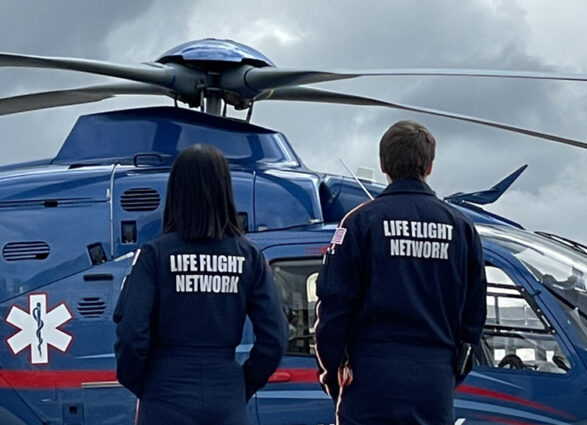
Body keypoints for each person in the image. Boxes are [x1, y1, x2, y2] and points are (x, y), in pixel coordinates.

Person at [315, 120, 487, 425]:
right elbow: (473, 319)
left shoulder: (359, 223)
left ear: (383, 164)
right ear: (430, 166)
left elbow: (333, 309)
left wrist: (332, 373)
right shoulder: (462, 228)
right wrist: (449, 371)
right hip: (434, 384)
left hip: (370, 380)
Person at [114, 144, 288, 425]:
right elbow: (275, 338)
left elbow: (132, 333)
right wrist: (241, 385)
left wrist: (144, 385)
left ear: (176, 191)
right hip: (227, 398)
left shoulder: (154, 255)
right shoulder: (249, 257)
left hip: (164, 396)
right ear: (225, 191)